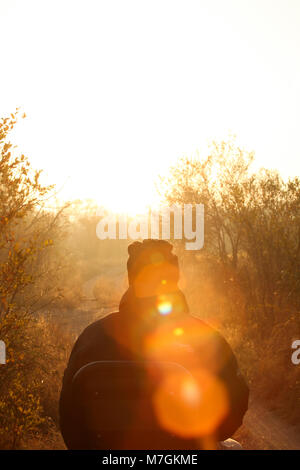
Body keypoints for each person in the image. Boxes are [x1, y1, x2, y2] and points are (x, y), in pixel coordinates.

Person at [59, 239, 249, 449]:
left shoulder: (91, 337)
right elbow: (233, 412)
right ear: (175, 278)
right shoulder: (204, 336)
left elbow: (70, 422)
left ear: (131, 279)